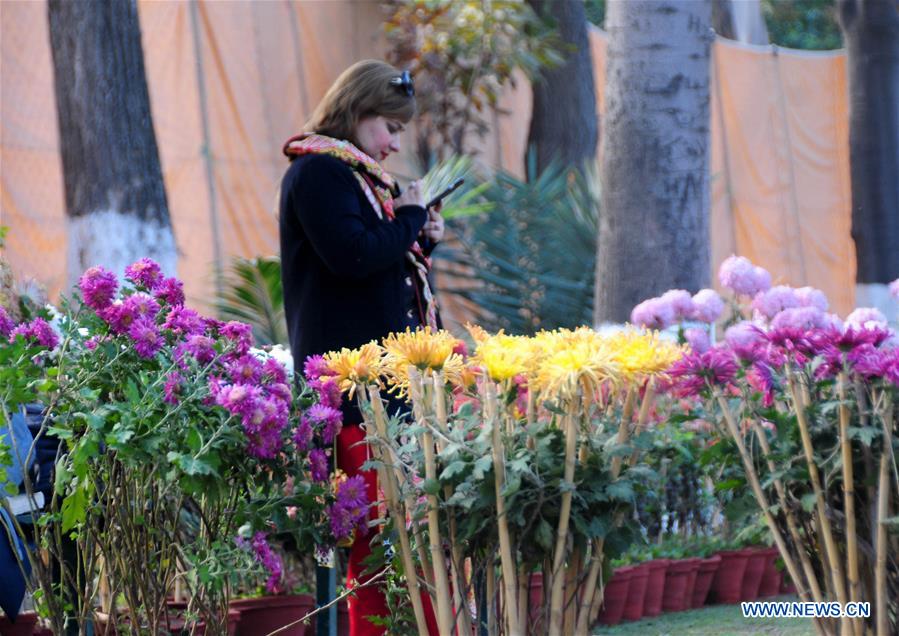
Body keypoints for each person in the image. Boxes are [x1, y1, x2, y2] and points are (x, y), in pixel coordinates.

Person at [278, 60, 443, 636]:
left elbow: (377, 268)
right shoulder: (319, 172)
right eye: (390, 128)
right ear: (356, 112)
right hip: (352, 393)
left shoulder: (351, 178)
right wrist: (412, 219)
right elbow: (351, 255)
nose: (395, 143)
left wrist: (418, 237)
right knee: (379, 540)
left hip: (379, 388)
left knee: (402, 535)